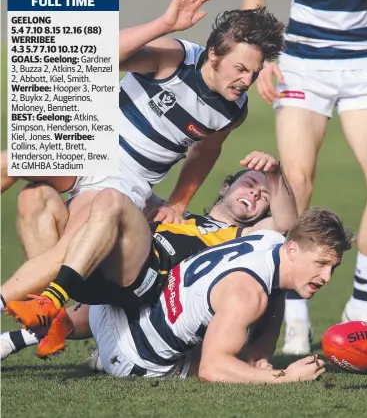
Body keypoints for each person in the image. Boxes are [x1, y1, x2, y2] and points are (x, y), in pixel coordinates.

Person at [0, 0, 285, 318]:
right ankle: (54, 311)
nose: (246, 80)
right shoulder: (174, 59)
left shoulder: (232, 111)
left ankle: (43, 307)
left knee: (66, 240)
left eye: (254, 72)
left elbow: (205, 152)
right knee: (8, 161)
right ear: (213, 56)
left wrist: (179, 203)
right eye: (239, 69)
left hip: (125, 181)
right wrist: (164, 24)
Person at [2, 151, 298, 359]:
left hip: (150, 291)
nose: (256, 194)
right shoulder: (172, 211)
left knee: (113, 201)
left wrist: (275, 175)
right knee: (34, 196)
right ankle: (42, 314)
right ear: (226, 187)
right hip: (102, 279)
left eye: (265, 195)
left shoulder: (245, 238)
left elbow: (284, 224)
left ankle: (39, 309)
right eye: (249, 183)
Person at [242, 0, 367, 354]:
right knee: (296, 181)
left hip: (364, 69)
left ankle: (361, 307)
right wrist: (261, 59)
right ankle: (295, 312)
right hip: (303, 69)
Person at [86, 208, 353, 381]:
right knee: (228, 365)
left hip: (115, 310)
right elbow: (211, 369)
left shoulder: (270, 239)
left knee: (241, 358)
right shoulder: (247, 294)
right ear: (293, 250)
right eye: (321, 264)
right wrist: (286, 376)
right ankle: (105, 357)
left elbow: (277, 290)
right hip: (131, 355)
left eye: (333, 267)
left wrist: (260, 358)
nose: (327, 277)